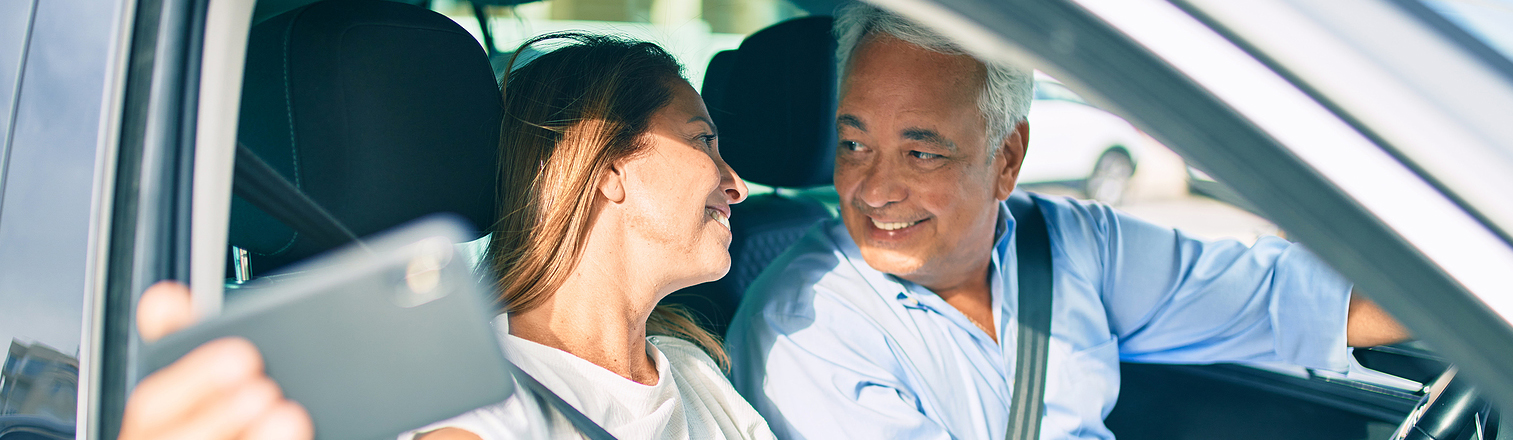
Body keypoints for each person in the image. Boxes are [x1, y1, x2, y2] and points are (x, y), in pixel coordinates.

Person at [722, 4, 1410, 440]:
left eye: (921, 152)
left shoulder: (1073, 245)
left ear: (1006, 158)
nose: (874, 188)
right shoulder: (802, 325)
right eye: (853, 145)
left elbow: (1286, 299)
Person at [119, 33, 777, 440]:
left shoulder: (691, 368)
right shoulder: (476, 402)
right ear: (607, 170)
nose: (735, 183)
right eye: (703, 141)